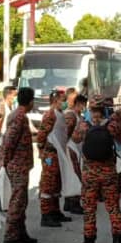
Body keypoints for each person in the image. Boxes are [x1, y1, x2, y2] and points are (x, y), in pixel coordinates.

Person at [75, 94, 121, 243]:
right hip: (109, 173)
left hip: (90, 173)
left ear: (90, 108)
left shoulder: (84, 125)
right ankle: (117, 242)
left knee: (89, 208)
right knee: (113, 207)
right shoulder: (112, 125)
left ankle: (89, 242)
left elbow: (75, 139)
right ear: (105, 108)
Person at [2, 87, 37, 243]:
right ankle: (10, 236)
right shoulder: (19, 117)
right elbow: (9, 141)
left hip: (20, 164)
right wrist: (6, 161)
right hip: (17, 165)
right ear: (30, 102)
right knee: (17, 200)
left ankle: (20, 232)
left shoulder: (18, 115)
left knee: (22, 200)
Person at [37, 89, 72, 227]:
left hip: (59, 153)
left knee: (57, 183)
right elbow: (41, 135)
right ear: (55, 100)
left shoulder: (60, 114)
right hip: (50, 154)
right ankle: (46, 215)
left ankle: (55, 211)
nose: (65, 102)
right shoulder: (50, 115)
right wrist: (41, 149)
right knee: (48, 184)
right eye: (63, 100)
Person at [63, 93, 87, 214]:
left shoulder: (78, 115)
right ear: (79, 104)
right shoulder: (70, 115)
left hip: (76, 148)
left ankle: (69, 202)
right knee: (75, 176)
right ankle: (74, 203)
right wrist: (81, 132)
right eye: (83, 105)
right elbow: (67, 134)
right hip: (70, 148)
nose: (84, 108)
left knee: (73, 175)